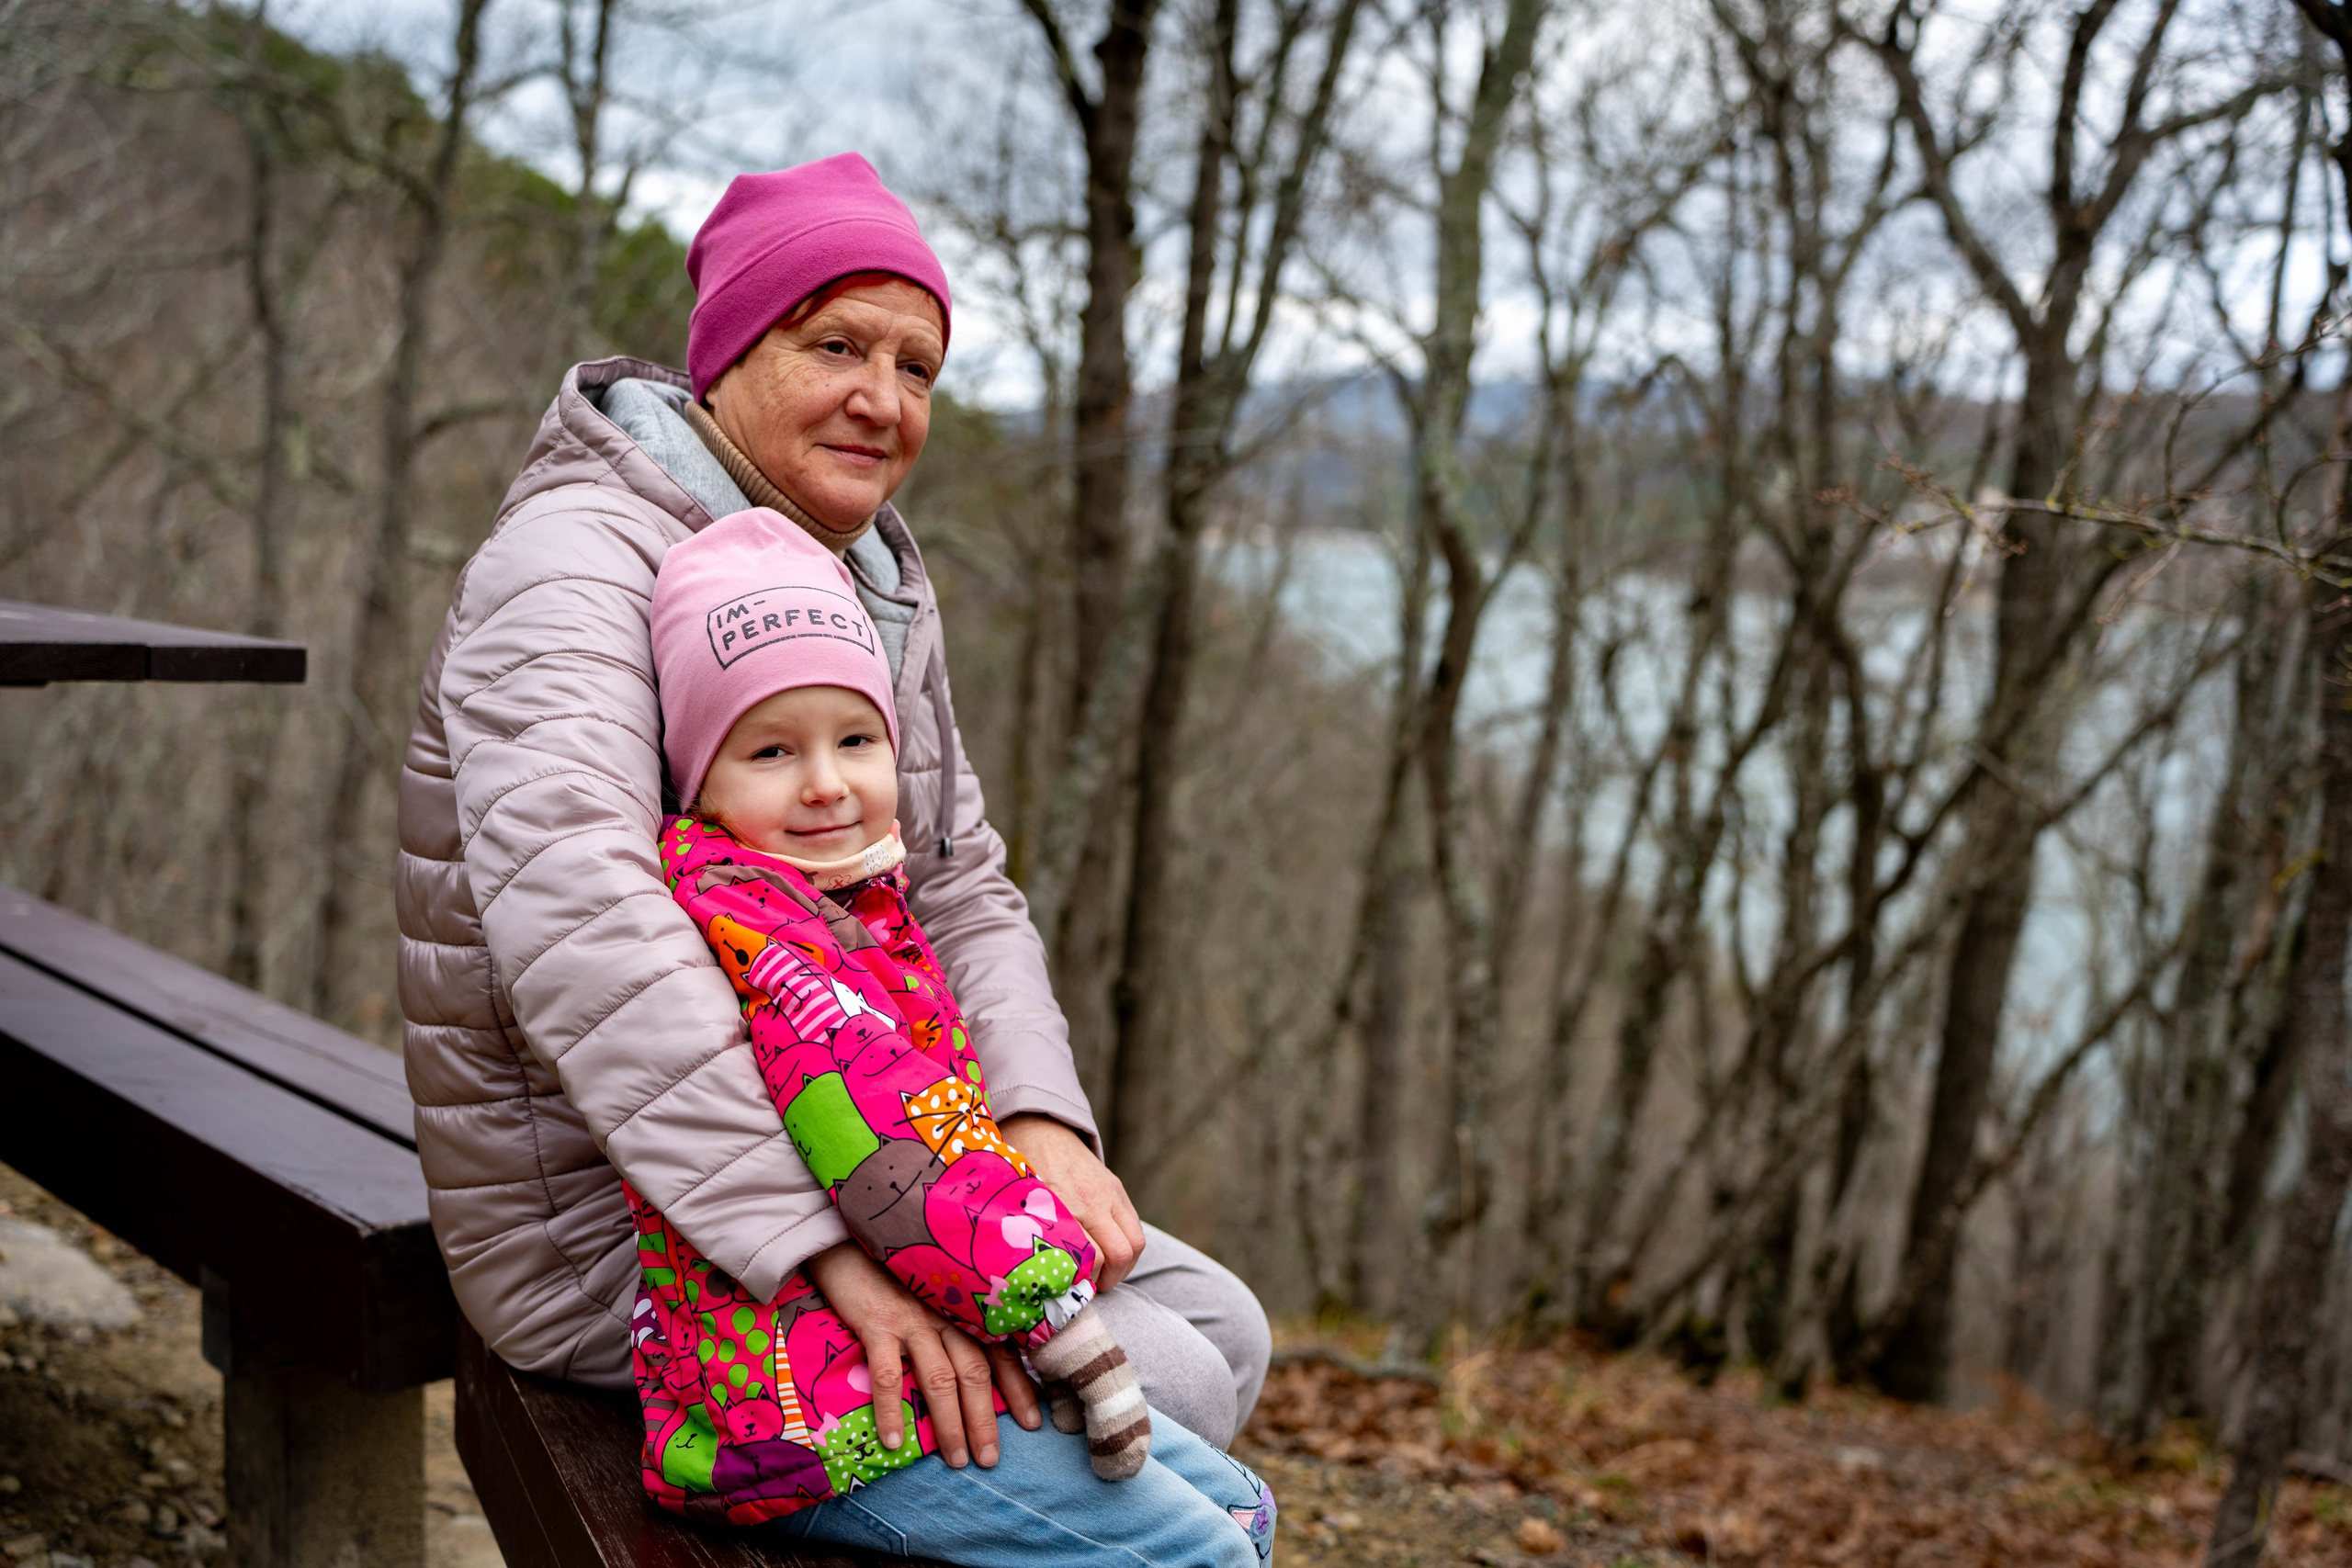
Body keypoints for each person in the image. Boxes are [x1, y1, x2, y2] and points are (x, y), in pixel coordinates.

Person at [395, 151, 1275, 1562]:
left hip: (867, 1141)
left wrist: (1038, 1118)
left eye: (917, 366)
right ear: (729, 354)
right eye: (837, 346)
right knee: (1165, 1377)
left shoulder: (854, 573)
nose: (884, 397)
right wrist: (823, 1254)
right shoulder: (571, 563)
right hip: (632, 1223)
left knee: (1224, 1323)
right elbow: (587, 931)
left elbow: (957, 879)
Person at [637, 506, 1154, 1501]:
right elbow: (887, 1131)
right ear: (700, 782)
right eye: (771, 752)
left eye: (855, 739)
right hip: (811, 1419)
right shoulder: (758, 923)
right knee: (1201, 1534)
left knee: (1231, 1499)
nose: (826, 784)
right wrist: (1057, 1315)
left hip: (873, 1343)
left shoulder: (854, 897)